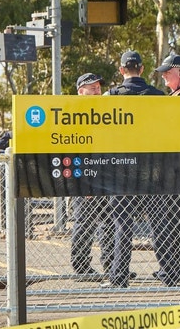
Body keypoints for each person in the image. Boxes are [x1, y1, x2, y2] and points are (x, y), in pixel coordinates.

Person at [101, 51, 164, 289]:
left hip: (121, 170)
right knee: (159, 221)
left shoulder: (110, 97)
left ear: (121, 71)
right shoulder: (159, 97)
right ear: (143, 68)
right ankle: (168, 272)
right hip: (152, 169)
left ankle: (119, 276)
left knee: (121, 223)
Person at [145, 54, 180, 286]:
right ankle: (177, 268)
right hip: (174, 169)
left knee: (177, 221)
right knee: (175, 220)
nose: (164, 75)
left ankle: (177, 270)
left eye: (168, 71)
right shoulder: (177, 96)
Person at [70, 73, 114, 282]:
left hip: (105, 176)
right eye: (92, 88)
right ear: (81, 91)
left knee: (108, 222)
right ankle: (81, 267)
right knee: (84, 223)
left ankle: (111, 265)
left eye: (98, 87)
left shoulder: (105, 113)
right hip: (84, 178)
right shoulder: (74, 115)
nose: (97, 90)